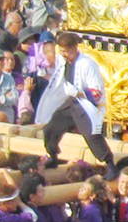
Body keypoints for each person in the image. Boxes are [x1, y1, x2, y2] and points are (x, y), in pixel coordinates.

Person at [35, 31, 113, 165]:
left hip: (85, 104)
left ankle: (109, 163)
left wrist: (79, 93)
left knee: (91, 134)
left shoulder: (87, 64)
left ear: (74, 48)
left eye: (66, 51)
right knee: (51, 128)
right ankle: (53, 155)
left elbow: (96, 91)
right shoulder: (63, 61)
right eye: (62, 51)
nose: (64, 54)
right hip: (70, 102)